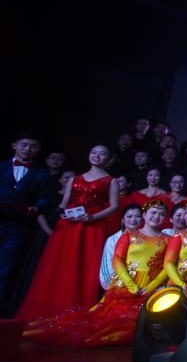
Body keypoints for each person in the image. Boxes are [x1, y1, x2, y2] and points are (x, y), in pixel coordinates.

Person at [23, 200, 170, 346]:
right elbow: (117, 261)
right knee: (104, 322)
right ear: (145, 214)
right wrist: (131, 285)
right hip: (126, 284)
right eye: (153, 213)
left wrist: (151, 287)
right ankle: (40, 331)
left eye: (161, 214)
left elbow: (167, 266)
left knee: (137, 325)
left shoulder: (167, 239)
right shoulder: (128, 236)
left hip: (150, 286)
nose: (156, 217)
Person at [17, 145, 119, 320]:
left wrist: (93, 217)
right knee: (59, 263)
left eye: (102, 154)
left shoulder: (111, 181)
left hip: (92, 226)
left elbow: (114, 206)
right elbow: (64, 202)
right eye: (93, 152)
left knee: (84, 264)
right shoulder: (75, 178)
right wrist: (62, 212)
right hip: (69, 225)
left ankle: (75, 310)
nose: (97, 156)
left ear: (108, 159)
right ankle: (50, 309)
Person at [1, 132, 51, 312]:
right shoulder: (1, 167)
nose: (28, 149)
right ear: (14, 145)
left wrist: (36, 208)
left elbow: (45, 198)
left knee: (5, 268)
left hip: (18, 226)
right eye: (24, 145)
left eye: (33, 146)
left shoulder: (42, 173)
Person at [99, 205, 144, 291]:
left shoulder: (148, 238)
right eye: (129, 216)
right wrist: (120, 286)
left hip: (142, 283)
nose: (133, 220)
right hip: (119, 286)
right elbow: (108, 267)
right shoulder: (113, 240)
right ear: (123, 220)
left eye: (138, 216)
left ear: (142, 219)